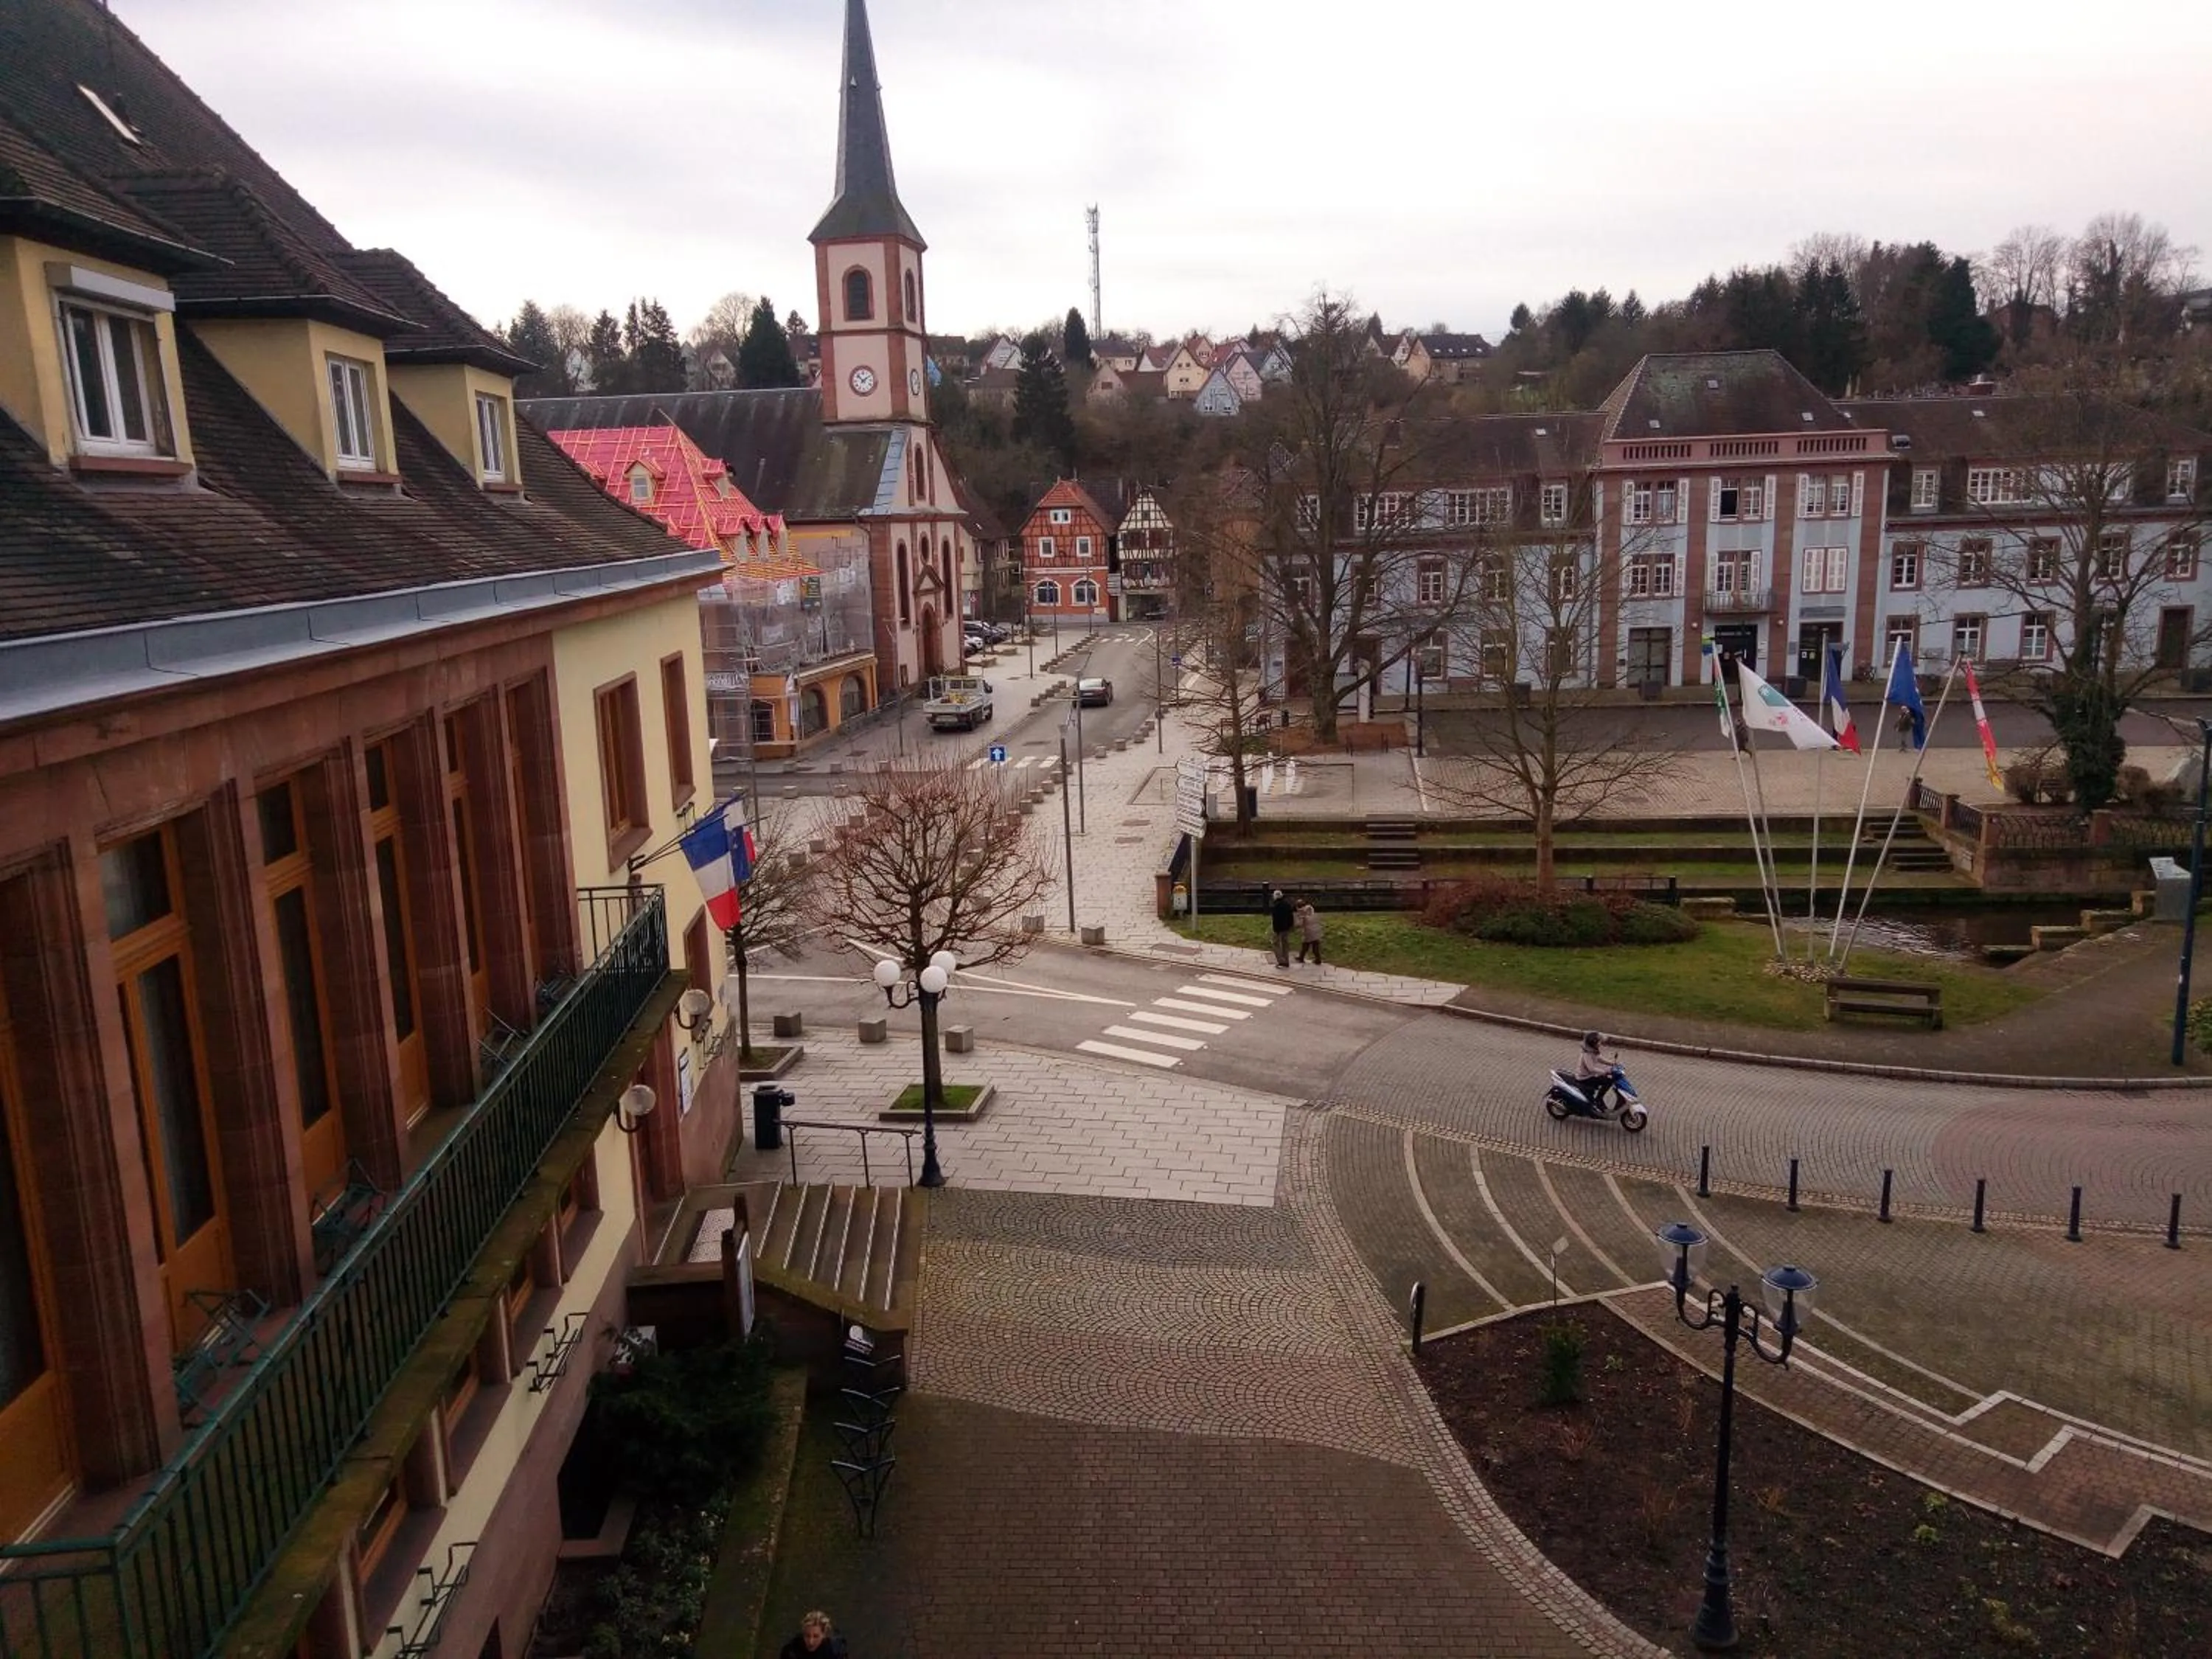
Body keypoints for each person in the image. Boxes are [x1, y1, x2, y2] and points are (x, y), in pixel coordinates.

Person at [1573, 1030, 1615, 1113]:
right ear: (1593, 1043)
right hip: (1585, 1077)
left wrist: (1612, 1063)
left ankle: (1598, 1099)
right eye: (1599, 1042)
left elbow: (1599, 1058)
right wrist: (1605, 1072)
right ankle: (1598, 1100)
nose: (1601, 1043)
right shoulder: (1587, 1054)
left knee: (1608, 1079)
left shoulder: (1593, 1050)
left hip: (1590, 1075)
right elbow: (1591, 1069)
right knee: (1608, 1081)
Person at [780, 1610, 847, 1658]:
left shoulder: (835, 1651)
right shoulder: (792, 1650)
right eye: (807, 1636)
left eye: (816, 1636)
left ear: (824, 1635)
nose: (811, 1642)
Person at [1268, 888, 1295, 968]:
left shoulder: (1276, 906)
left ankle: (1281, 960)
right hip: (1286, 928)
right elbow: (1291, 916)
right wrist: (1291, 926)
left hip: (1278, 928)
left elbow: (1275, 919)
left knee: (1275, 943)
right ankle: (1286, 960)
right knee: (1285, 944)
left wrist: (1275, 929)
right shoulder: (1287, 904)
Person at [1295, 898, 1324, 964]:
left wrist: (1297, 925)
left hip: (1308, 931)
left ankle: (1301, 957)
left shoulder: (1302, 913)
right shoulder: (1311, 909)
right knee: (1315, 945)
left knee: (1305, 945)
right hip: (1316, 929)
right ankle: (1318, 959)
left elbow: (1300, 923)